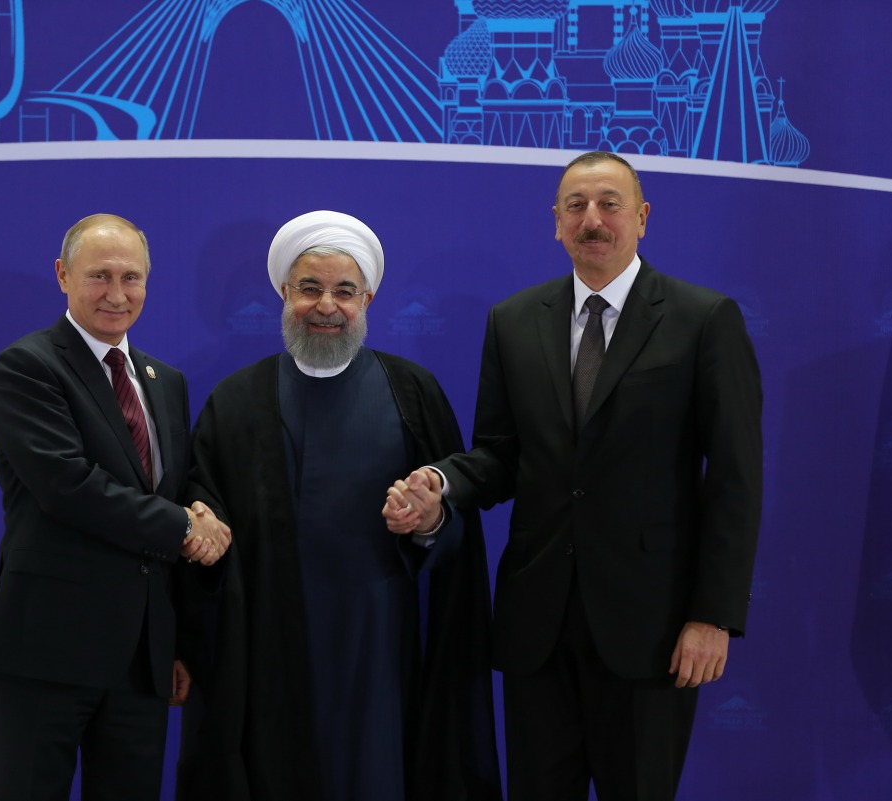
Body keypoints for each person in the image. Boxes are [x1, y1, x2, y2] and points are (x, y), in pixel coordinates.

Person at [386, 152, 763, 801]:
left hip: (653, 629)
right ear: (555, 223)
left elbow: (735, 478)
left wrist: (713, 614)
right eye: (576, 206)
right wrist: (440, 488)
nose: (593, 219)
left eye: (609, 204)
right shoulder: (513, 320)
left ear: (642, 218)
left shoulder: (704, 320)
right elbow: (500, 457)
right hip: (539, 628)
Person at [177, 211, 501, 801]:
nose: (326, 305)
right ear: (283, 293)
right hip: (267, 643)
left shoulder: (413, 391)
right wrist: (202, 520)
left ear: (368, 298)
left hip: (379, 642)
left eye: (344, 291)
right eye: (310, 288)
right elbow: (203, 504)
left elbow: (455, 527)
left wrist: (430, 521)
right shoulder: (236, 399)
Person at [0, 213, 231, 801]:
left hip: (141, 661)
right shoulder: (28, 366)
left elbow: (173, 486)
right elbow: (69, 487)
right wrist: (185, 525)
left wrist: (203, 513)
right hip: (48, 651)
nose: (118, 294)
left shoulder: (164, 380)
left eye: (132, 278)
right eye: (99, 276)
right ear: (63, 276)